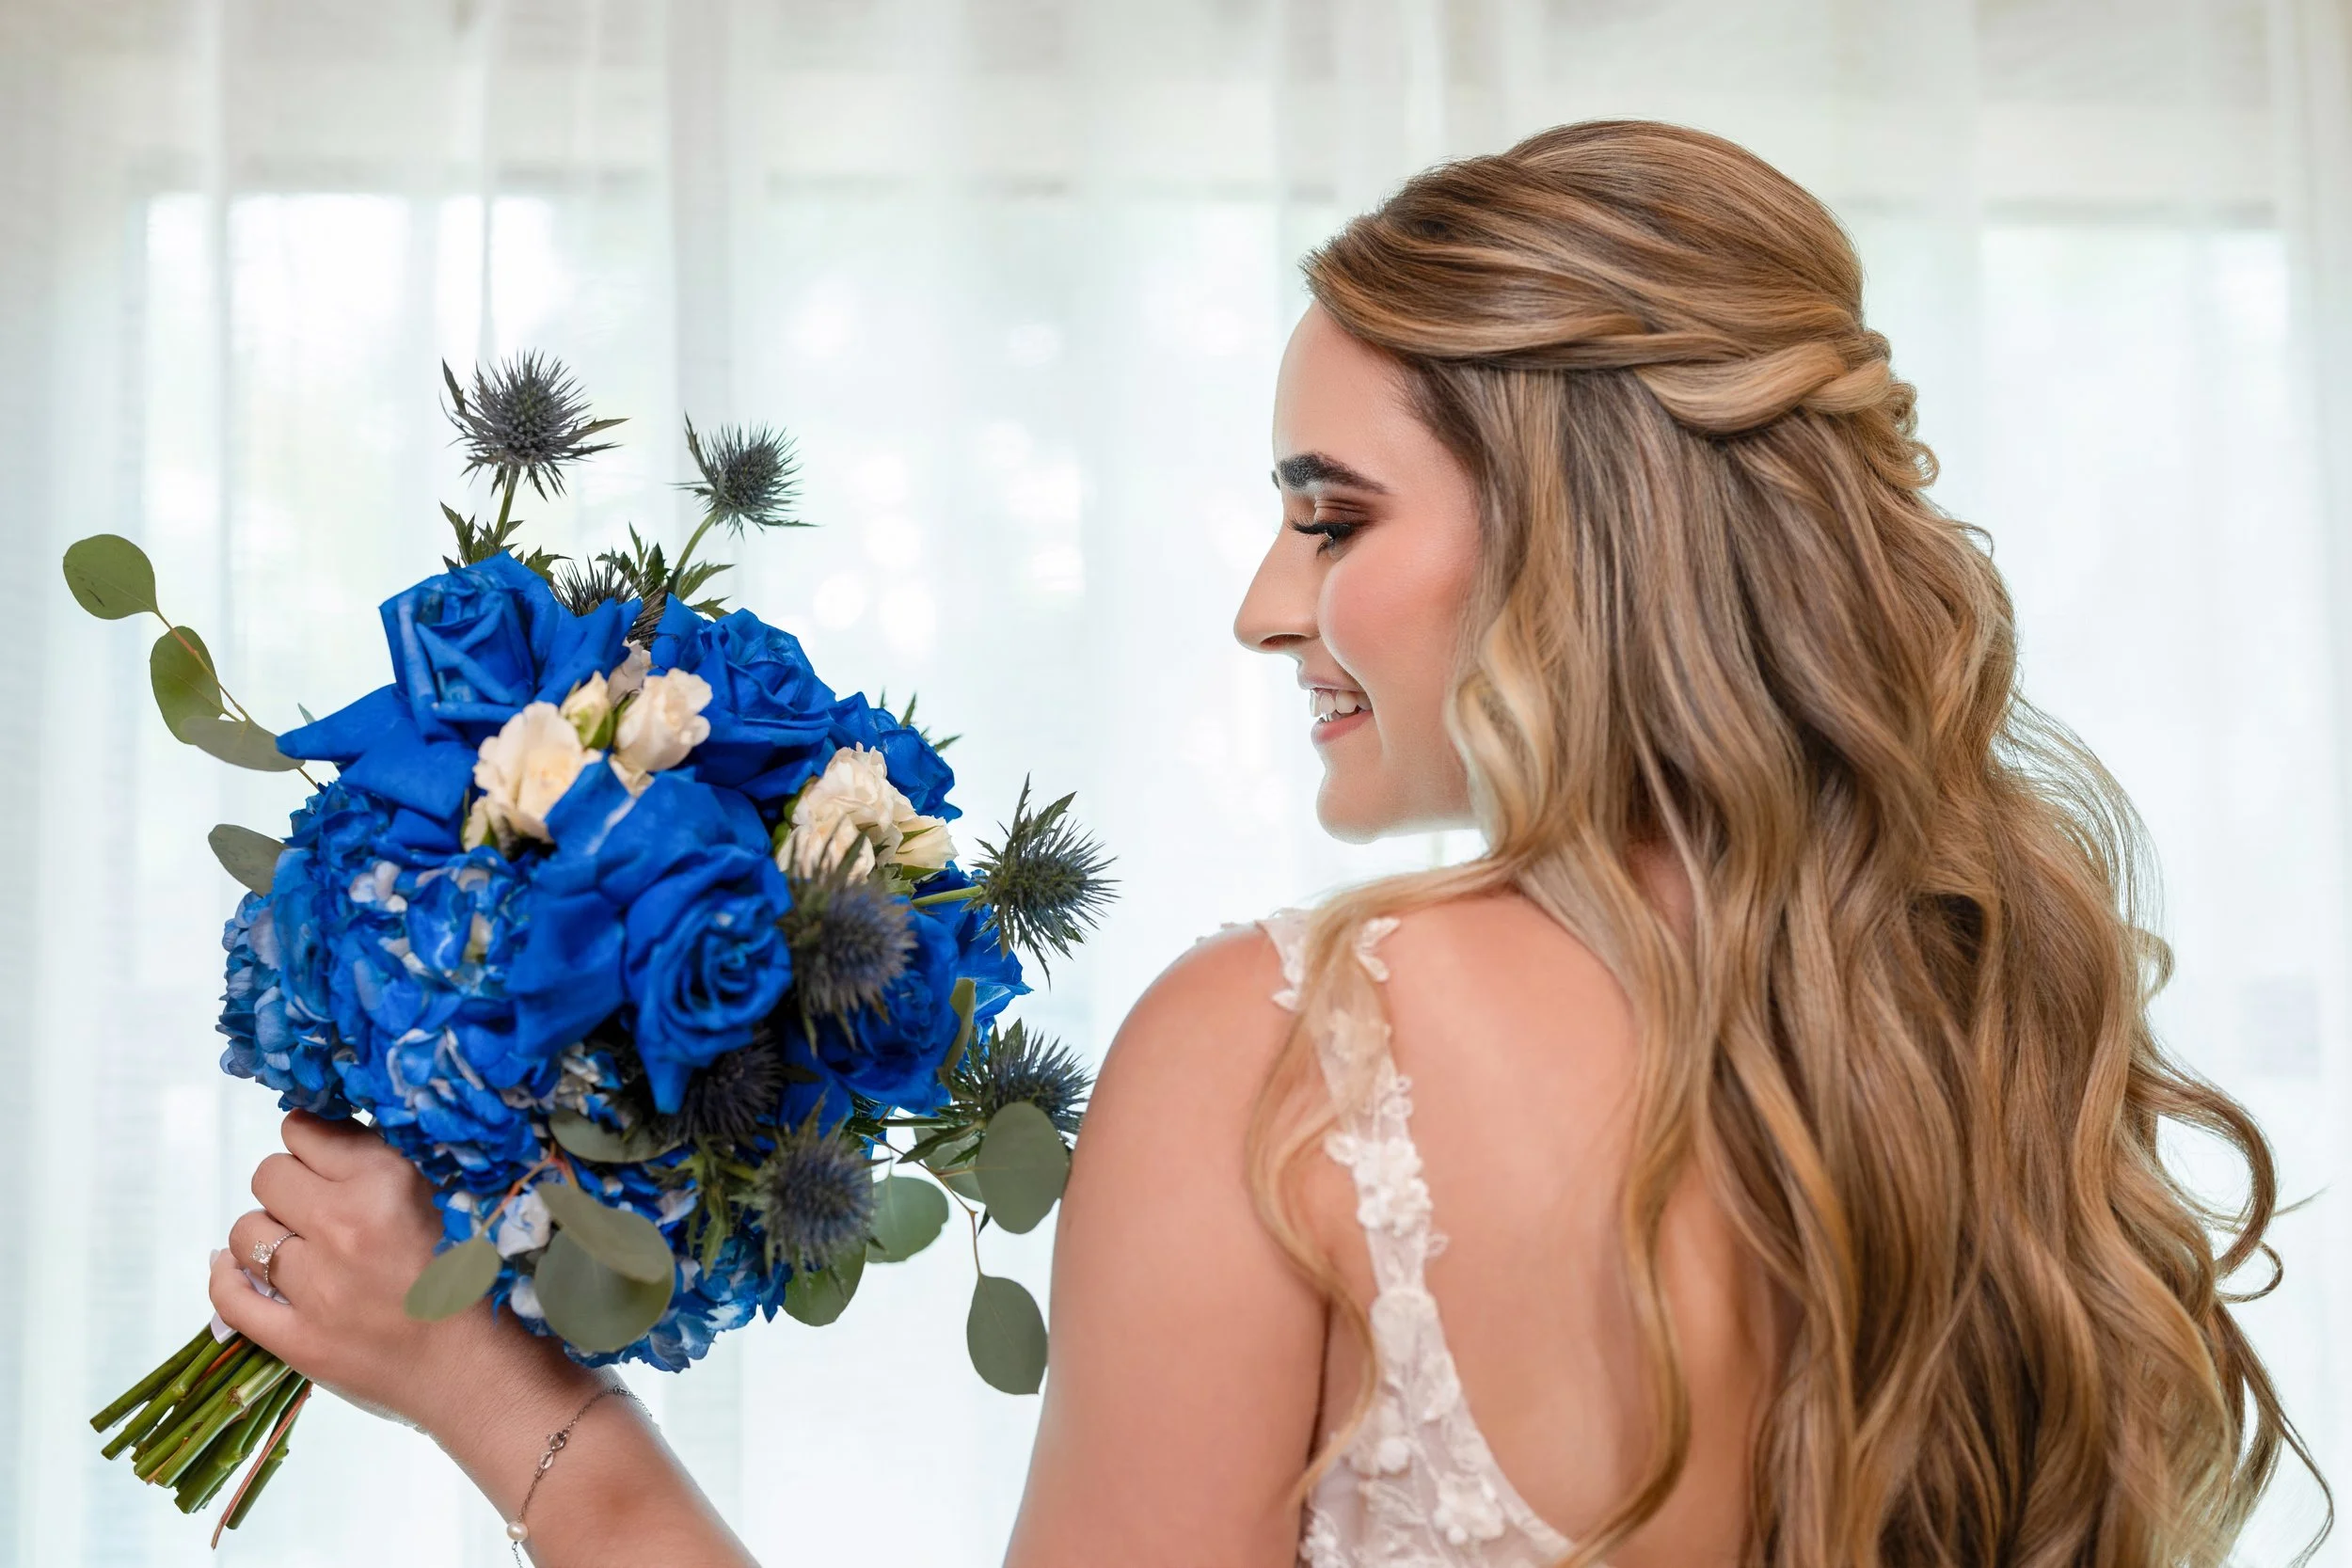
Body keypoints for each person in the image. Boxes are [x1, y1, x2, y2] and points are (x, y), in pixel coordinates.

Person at [209, 120, 2317, 1568]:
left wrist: (500, 1402)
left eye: (1332, 512)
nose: (1263, 599)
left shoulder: (1296, 1057)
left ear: (1585, 527)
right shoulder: (1986, 1034)